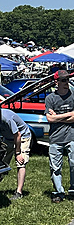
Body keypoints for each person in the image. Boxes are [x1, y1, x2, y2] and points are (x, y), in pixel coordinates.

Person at [0, 101, 32, 200]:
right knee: (0, 162)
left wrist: (18, 152)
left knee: (21, 162)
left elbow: (18, 135)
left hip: (22, 136)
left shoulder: (6, 118)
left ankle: (19, 192)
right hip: (8, 138)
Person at [45, 70, 74, 202]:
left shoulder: (73, 95)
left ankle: (73, 190)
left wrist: (57, 117)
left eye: (67, 79)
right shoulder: (50, 98)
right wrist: (68, 115)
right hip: (56, 138)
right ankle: (59, 192)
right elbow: (49, 119)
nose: (66, 83)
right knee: (55, 167)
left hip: (72, 136)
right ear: (56, 82)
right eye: (63, 80)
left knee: (73, 163)